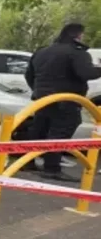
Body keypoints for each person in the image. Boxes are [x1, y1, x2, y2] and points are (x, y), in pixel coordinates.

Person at [25, 22, 101, 181]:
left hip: (42, 99)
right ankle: (52, 168)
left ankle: (27, 162)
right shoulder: (77, 53)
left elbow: (29, 75)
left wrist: (38, 91)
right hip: (67, 100)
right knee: (60, 133)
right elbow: (86, 73)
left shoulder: (42, 52)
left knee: (39, 130)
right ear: (78, 35)